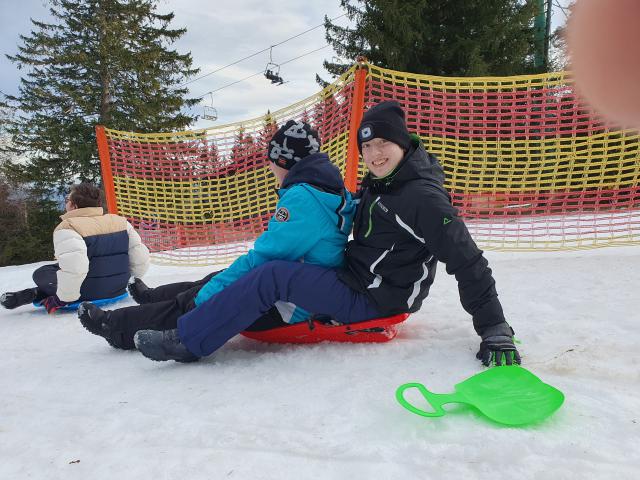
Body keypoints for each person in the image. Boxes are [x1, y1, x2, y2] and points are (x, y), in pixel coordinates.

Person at [135, 101, 521, 367]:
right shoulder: (384, 183)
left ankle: (189, 341)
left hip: (376, 299)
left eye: (383, 143)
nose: (375, 153)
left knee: (272, 275)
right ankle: (166, 307)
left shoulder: (422, 198)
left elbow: (467, 260)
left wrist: (494, 328)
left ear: (402, 143)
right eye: (367, 146)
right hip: (356, 279)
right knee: (261, 270)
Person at [78, 120, 356, 350]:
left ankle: (116, 327)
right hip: (303, 289)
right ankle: (153, 298)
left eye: (272, 160)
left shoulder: (303, 199)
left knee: (199, 300)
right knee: (217, 278)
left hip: (291, 304)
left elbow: (264, 259)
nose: (270, 167)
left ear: (285, 160)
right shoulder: (327, 189)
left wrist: (210, 294)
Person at [0, 182, 150, 313]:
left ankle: (36, 293)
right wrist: (127, 281)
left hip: (87, 292)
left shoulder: (68, 227)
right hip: (119, 288)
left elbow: (75, 267)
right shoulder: (121, 222)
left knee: (41, 273)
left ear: (74, 205)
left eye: (67, 200)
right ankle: (34, 293)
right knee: (59, 268)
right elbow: (140, 257)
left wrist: (63, 299)